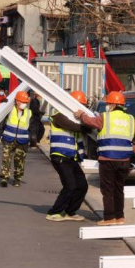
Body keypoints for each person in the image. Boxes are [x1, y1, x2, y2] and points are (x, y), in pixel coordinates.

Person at [75, 91, 135, 226]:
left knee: (107, 189)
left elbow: (90, 122)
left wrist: (82, 115)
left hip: (108, 159)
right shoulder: (130, 119)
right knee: (119, 189)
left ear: (112, 105)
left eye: (108, 104)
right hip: (124, 160)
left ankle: (109, 218)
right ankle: (120, 217)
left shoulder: (105, 117)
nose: (107, 106)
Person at [46, 91, 90, 222]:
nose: (82, 109)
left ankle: (70, 211)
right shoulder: (59, 115)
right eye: (80, 105)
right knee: (70, 186)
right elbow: (75, 127)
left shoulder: (76, 120)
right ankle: (54, 212)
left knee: (82, 186)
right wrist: (87, 125)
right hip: (60, 156)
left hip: (72, 158)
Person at [0, 91, 33, 187]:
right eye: (23, 102)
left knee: (20, 160)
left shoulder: (29, 113)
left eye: (25, 102)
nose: (24, 104)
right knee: (6, 159)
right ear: (17, 101)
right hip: (8, 138)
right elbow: (0, 114)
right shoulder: (10, 109)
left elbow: (32, 127)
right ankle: (4, 178)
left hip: (22, 141)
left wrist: (31, 138)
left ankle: (17, 179)